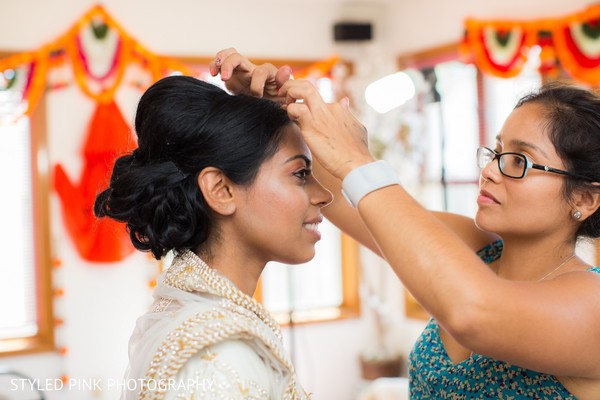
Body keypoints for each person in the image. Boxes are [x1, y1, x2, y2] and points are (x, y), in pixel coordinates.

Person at [211, 49, 600, 399]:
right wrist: (281, 110)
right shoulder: (472, 246)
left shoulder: (591, 303)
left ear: (584, 198)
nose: (489, 171)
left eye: (519, 161)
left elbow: (472, 313)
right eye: (496, 151)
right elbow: (349, 201)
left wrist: (359, 160)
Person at [94, 75, 331, 399]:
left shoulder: (199, 317)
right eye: (300, 174)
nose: (325, 195)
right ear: (221, 190)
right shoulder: (219, 359)